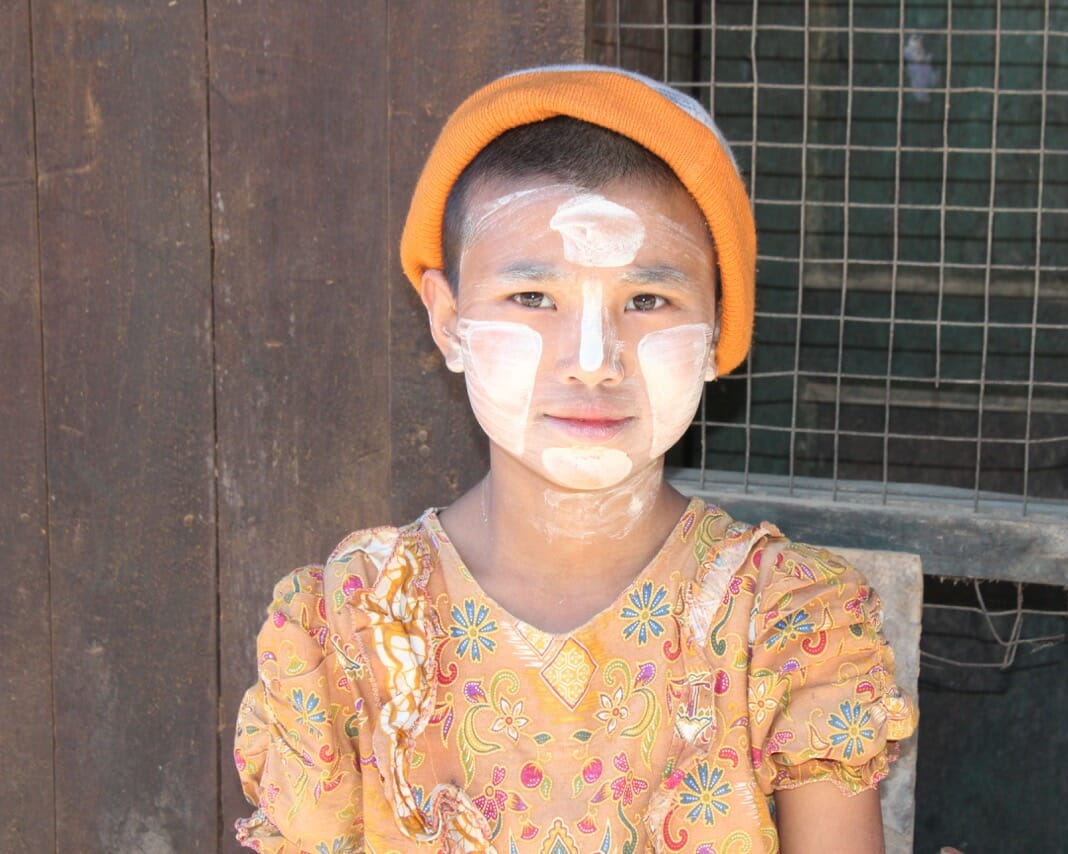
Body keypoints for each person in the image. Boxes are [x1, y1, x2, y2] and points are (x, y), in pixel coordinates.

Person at [233, 65, 918, 853]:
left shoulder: (790, 623)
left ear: (718, 334)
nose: (593, 361)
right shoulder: (349, 624)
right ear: (449, 322)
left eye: (647, 301)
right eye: (533, 299)